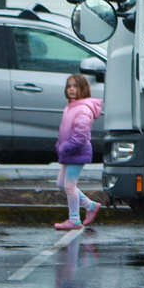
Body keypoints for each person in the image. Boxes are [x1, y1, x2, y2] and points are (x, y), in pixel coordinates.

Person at [52, 74, 104, 231]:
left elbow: (81, 135)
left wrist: (67, 147)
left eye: (75, 86)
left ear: (84, 89)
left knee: (69, 185)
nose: (71, 89)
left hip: (77, 152)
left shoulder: (83, 109)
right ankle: (90, 205)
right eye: (69, 86)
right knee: (62, 184)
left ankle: (74, 219)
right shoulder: (70, 107)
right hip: (69, 153)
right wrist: (60, 145)